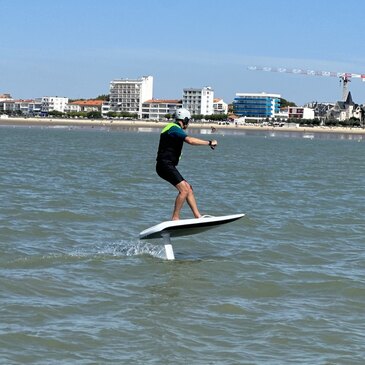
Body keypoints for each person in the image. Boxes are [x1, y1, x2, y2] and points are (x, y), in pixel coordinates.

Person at [156, 108, 218, 220]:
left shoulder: (172, 128)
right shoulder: (174, 129)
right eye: (188, 121)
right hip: (164, 165)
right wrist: (209, 142)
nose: (188, 124)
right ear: (184, 120)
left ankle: (198, 217)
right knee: (184, 190)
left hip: (166, 165)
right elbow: (190, 140)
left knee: (188, 188)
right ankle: (175, 218)